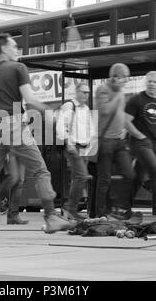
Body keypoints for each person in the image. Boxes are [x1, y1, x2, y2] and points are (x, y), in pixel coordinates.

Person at [0, 33, 75, 239]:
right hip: (14, 125)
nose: (17, 50)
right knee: (41, 171)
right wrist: (49, 113)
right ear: (4, 48)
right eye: (14, 46)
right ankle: (51, 217)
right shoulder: (18, 68)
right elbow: (30, 99)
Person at [94, 64, 136, 220]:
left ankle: (118, 207)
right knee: (104, 179)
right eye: (124, 78)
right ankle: (101, 213)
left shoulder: (120, 92)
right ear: (114, 77)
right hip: (105, 140)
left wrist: (126, 129)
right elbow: (104, 111)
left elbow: (121, 115)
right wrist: (118, 96)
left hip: (120, 141)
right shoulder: (102, 89)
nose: (125, 82)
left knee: (130, 174)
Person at [125, 71, 156, 213]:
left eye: (155, 82)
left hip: (155, 145)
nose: (151, 84)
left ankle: (123, 208)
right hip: (140, 144)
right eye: (149, 81)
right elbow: (126, 121)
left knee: (137, 177)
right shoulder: (136, 99)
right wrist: (139, 136)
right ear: (145, 82)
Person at [56, 83, 96, 220]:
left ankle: (70, 211)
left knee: (77, 179)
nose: (86, 95)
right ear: (77, 92)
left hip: (84, 148)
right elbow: (61, 126)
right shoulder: (69, 106)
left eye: (88, 92)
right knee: (81, 177)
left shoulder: (86, 108)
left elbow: (91, 128)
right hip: (73, 147)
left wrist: (89, 142)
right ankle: (70, 208)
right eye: (84, 92)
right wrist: (68, 142)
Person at [0, 153, 29, 224]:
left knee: (19, 182)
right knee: (13, 179)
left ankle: (13, 215)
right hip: (11, 148)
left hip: (23, 148)